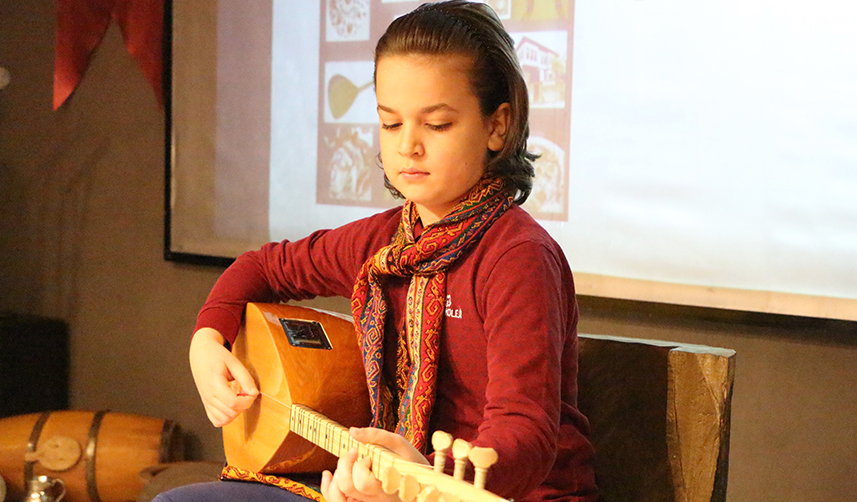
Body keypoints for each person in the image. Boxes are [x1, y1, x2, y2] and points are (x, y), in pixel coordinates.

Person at [154, 2, 597, 502]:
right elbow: (260, 267)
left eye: (437, 125)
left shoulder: (518, 257)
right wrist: (206, 342)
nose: (408, 146)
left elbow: (524, 433)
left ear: (497, 126)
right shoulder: (382, 243)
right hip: (385, 486)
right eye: (390, 124)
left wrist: (423, 477)